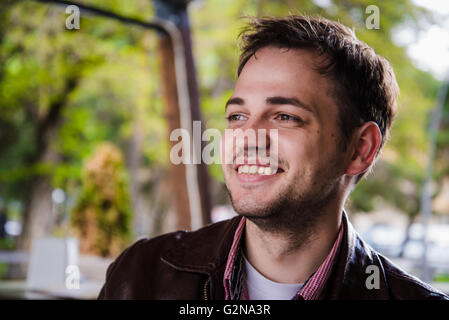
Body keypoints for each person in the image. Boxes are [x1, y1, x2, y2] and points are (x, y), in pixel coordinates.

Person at [98, 15, 448, 300]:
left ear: (360, 149)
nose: (248, 138)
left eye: (285, 116)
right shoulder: (141, 275)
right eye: (237, 116)